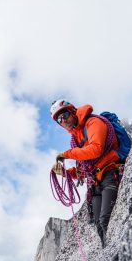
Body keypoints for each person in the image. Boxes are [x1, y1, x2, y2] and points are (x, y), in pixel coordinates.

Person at [50, 99, 120, 247]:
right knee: (98, 225)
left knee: (106, 220)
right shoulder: (75, 138)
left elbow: (96, 149)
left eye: (65, 115)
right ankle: (110, 259)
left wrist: (68, 154)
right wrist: (65, 173)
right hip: (95, 183)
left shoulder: (93, 122)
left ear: (73, 111)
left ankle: (117, 257)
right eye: (59, 120)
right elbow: (83, 170)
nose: (64, 121)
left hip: (109, 173)